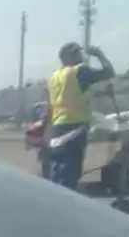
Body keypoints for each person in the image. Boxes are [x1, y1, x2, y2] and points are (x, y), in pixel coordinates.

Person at [43, 42, 115, 190]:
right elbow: (109, 72)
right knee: (71, 170)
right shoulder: (80, 71)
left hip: (57, 126)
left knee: (57, 168)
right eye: (77, 53)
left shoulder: (54, 77)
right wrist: (99, 55)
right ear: (69, 57)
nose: (81, 56)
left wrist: (47, 130)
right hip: (75, 125)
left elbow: (53, 103)